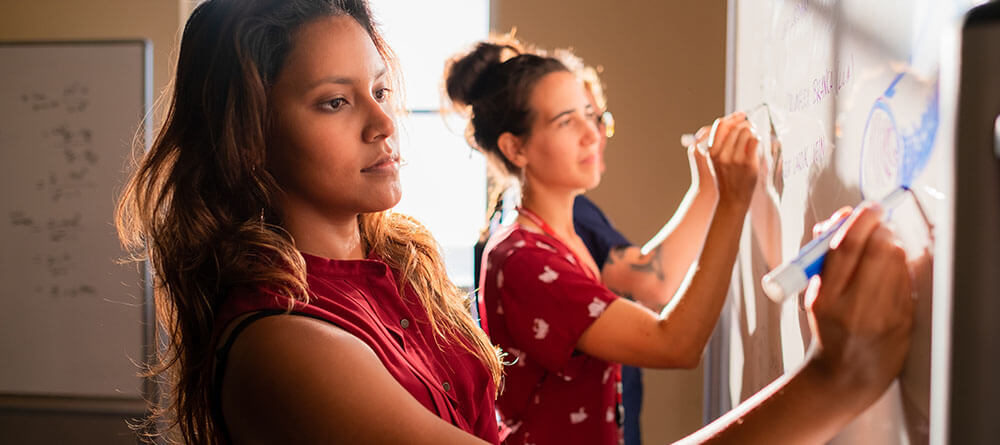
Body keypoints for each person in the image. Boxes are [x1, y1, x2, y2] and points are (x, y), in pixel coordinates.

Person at [117, 1, 912, 443]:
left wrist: (718, 191)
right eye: (335, 100)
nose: (383, 123)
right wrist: (835, 376)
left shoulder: (395, 269)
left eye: (380, 90)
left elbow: (648, 273)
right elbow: (671, 334)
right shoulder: (284, 343)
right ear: (247, 134)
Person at [445, 41, 914, 444]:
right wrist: (731, 202)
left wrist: (709, 189)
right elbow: (677, 345)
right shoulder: (523, 258)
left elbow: (656, 275)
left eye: (592, 114)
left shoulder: (556, 236)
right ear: (515, 148)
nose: (593, 133)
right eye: (568, 121)